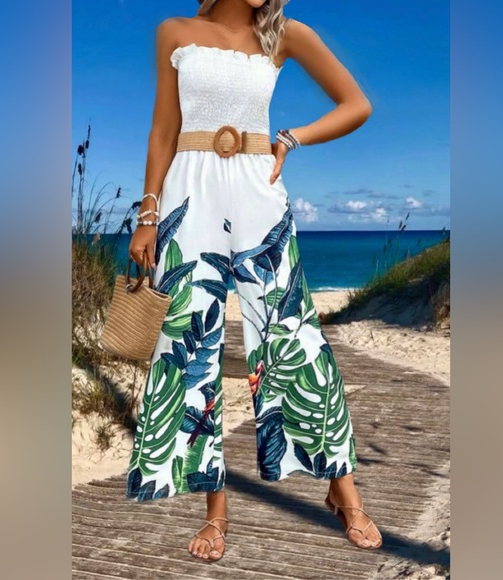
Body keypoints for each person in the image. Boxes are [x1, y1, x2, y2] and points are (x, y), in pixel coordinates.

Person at [126, 0, 382, 563]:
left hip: (257, 190)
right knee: (192, 342)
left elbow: (356, 104)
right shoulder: (175, 32)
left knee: (295, 336)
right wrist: (148, 214)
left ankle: (342, 489)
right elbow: (163, 130)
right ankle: (215, 510)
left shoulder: (285, 34)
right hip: (188, 192)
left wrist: (291, 138)